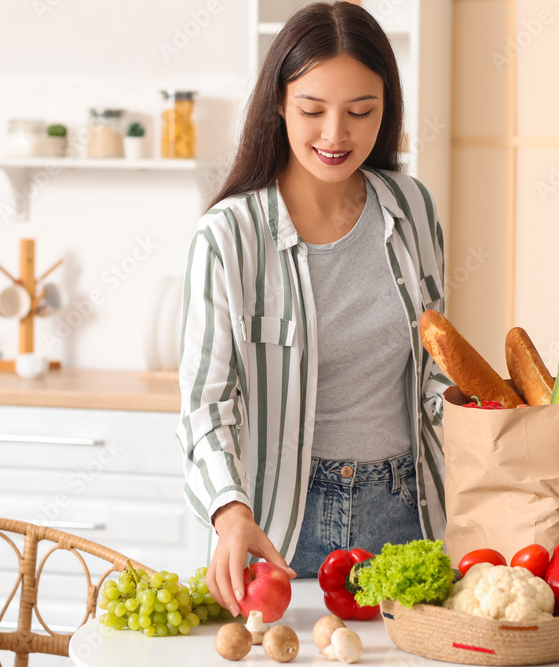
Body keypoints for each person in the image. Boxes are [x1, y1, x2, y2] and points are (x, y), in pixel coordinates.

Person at [176, 1, 451, 619]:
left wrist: (491, 422)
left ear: (387, 108)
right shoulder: (229, 236)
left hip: (409, 514)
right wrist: (228, 510)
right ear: (277, 102)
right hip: (278, 526)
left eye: (361, 112)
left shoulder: (411, 209)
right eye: (313, 110)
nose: (336, 135)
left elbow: (433, 365)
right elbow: (205, 406)